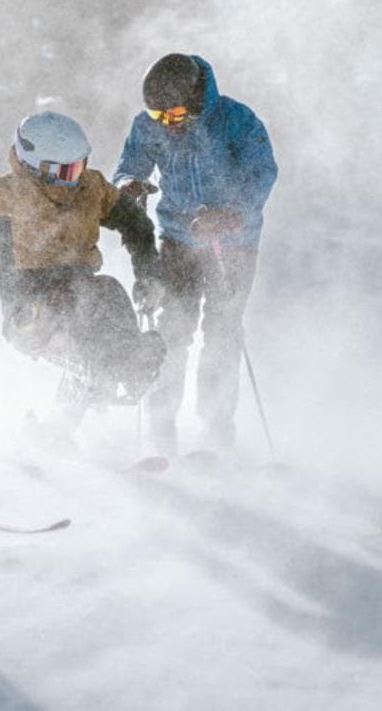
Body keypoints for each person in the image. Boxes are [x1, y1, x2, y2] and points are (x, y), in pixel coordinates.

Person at [0, 111, 166, 445]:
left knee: (106, 292)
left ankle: (117, 373)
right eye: (61, 172)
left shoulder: (91, 188)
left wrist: (148, 275)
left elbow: (137, 224)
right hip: (27, 309)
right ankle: (104, 370)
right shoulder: (9, 192)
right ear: (33, 164)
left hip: (81, 287)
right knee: (73, 313)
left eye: (77, 167)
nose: (71, 181)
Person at [113, 54, 278, 457]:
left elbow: (263, 173)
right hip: (178, 237)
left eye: (176, 113)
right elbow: (130, 164)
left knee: (222, 331)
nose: (167, 122)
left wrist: (232, 214)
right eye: (158, 114)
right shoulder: (149, 124)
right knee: (174, 328)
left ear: (196, 98)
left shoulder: (236, 119)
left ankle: (216, 425)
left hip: (233, 241)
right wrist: (130, 184)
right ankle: (161, 419)